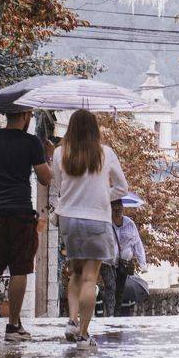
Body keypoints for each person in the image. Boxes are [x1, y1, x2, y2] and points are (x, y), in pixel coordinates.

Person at [0, 110, 53, 341]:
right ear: (25, 115)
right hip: (21, 214)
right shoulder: (31, 142)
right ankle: (13, 326)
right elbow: (45, 178)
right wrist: (48, 156)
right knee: (19, 268)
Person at [50, 110, 129, 343]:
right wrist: (103, 195)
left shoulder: (59, 153)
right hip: (97, 219)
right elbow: (122, 187)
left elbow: (59, 187)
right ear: (95, 130)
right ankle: (83, 333)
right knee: (89, 278)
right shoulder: (106, 153)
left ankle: (72, 321)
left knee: (75, 272)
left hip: (69, 220)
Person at [109, 199, 147, 316]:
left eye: (119, 209)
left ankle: (116, 314)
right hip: (109, 262)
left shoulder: (130, 224)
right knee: (110, 286)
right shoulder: (107, 223)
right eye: (115, 210)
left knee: (120, 289)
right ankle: (110, 314)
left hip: (124, 263)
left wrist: (142, 263)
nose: (117, 212)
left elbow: (137, 244)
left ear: (122, 209)